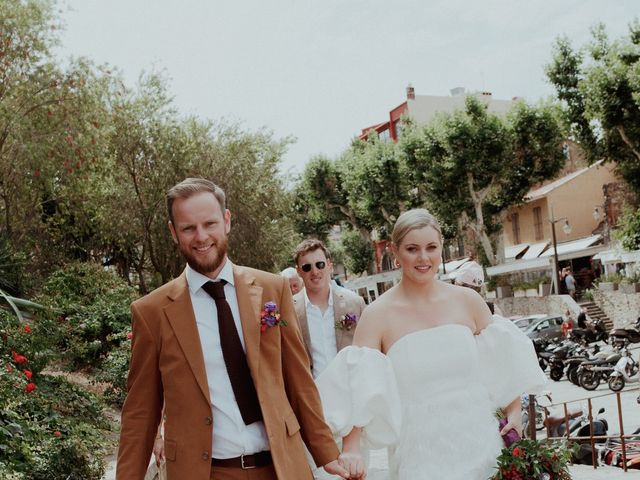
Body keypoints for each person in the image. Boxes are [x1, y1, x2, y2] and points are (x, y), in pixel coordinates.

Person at [116, 178, 349, 480]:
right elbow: (140, 412)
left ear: (226, 221)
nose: (201, 237)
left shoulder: (271, 288)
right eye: (188, 228)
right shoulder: (151, 312)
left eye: (209, 224)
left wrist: (326, 452)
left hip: (282, 467)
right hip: (207, 472)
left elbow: (298, 379)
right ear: (173, 232)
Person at [315, 209, 547, 480]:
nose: (423, 258)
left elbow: (502, 362)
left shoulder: (468, 301)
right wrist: (351, 448)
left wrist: (514, 414)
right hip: (419, 457)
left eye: (431, 247)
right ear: (394, 252)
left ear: (441, 249)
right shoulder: (377, 315)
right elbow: (359, 385)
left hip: (483, 448)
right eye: (412, 249)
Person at [292, 239, 366, 379]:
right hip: (313, 395)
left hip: (351, 390)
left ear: (329, 266)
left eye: (320, 265)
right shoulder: (290, 309)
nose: (315, 272)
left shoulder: (355, 303)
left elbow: (368, 351)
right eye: (307, 267)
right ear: (299, 271)